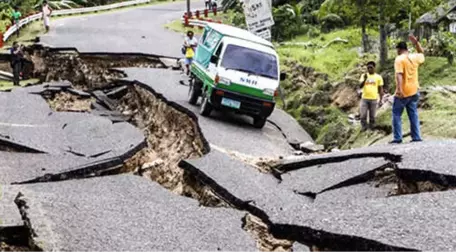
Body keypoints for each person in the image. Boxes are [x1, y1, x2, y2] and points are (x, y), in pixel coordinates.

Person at [390, 35, 425, 144]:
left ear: (399, 50)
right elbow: (422, 54)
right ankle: (416, 136)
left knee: (396, 114)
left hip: (404, 92)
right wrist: (416, 43)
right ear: (407, 49)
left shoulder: (399, 59)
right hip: (414, 90)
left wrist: (399, 90)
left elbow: (399, 75)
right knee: (413, 113)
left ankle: (397, 138)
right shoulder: (415, 57)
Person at [359, 61, 384, 131]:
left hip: (374, 98)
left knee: (372, 115)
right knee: (363, 114)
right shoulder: (364, 76)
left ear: (374, 68)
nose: (369, 69)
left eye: (371, 68)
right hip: (364, 98)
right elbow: (360, 86)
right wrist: (364, 79)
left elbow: (380, 88)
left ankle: (371, 126)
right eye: (368, 68)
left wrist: (381, 99)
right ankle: (364, 126)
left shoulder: (378, 77)